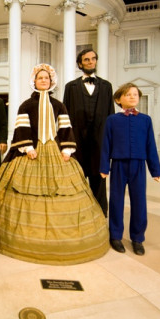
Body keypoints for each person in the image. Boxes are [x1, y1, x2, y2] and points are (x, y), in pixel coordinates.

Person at [0, 64, 109, 265]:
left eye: (47, 78)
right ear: (34, 81)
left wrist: (66, 149)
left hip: (54, 149)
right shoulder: (25, 105)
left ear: (51, 81)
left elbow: (65, 127)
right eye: (40, 78)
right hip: (32, 150)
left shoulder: (59, 105)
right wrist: (28, 147)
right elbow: (22, 128)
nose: (44, 81)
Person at [100, 83, 160, 256]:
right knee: (116, 201)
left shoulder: (145, 120)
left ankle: (137, 238)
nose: (132, 97)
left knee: (139, 202)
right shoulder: (112, 120)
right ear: (118, 99)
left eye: (135, 94)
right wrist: (105, 167)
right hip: (118, 165)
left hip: (138, 166)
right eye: (128, 94)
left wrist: (155, 170)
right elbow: (106, 145)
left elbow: (151, 146)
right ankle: (115, 236)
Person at [63, 48, 114, 217]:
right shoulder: (70, 87)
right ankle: (76, 215)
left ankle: (100, 217)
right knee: (76, 180)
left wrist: (110, 143)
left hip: (100, 143)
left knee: (99, 180)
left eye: (93, 59)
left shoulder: (107, 86)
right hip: (77, 142)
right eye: (86, 60)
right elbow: (65, 117)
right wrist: (65, 143)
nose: (91, 62)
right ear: (80, 63)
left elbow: (111, 116)